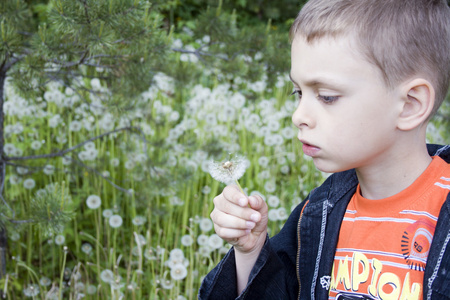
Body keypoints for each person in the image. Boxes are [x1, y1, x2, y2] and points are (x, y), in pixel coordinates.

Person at [198, 0, 450, 299]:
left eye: (327, 97)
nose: (298, 116)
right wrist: (250, 251)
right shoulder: (316, 212)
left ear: (410, 105)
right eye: (298, 92)